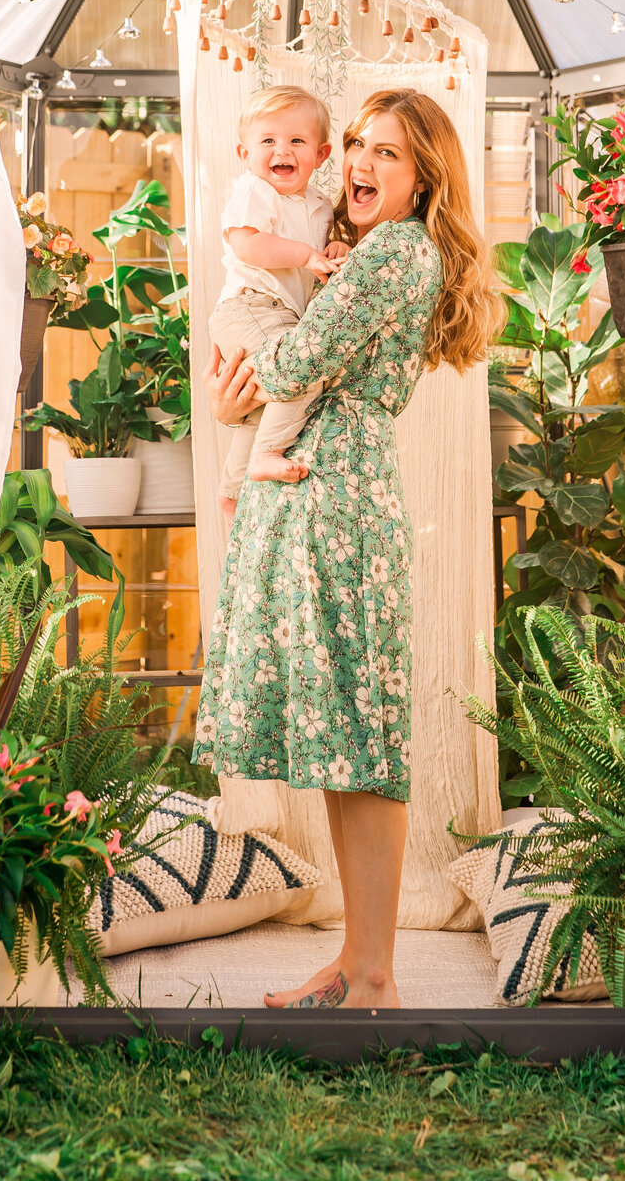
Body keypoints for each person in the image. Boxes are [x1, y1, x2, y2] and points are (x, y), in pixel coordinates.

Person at [194, 88, 494, 1010]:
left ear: (423, 181)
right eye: (359, 144)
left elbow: (280, 368)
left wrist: (245, 388)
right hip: (314, 485)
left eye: (390, 155)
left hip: (338, 500)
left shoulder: (396, 253)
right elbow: (256, 381)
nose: (362, 163)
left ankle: (374, 973)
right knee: (336, 737)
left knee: (358, 737)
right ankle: (359, 963)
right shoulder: (355, 255)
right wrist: (239, 397)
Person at [208, 85, 350, 528]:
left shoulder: (320, 205)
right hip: (249, 306)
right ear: (244, 152)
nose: (281, 151)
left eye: (296, 141)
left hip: (281, 314)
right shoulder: (255, 190)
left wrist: (335, 246)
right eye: (267, 141)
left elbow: (323, 250)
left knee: (259, 403)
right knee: (303, 372)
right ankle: (266, 455)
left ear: (322, 153)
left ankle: (232, 491)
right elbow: (248, 245)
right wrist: (308, 256)